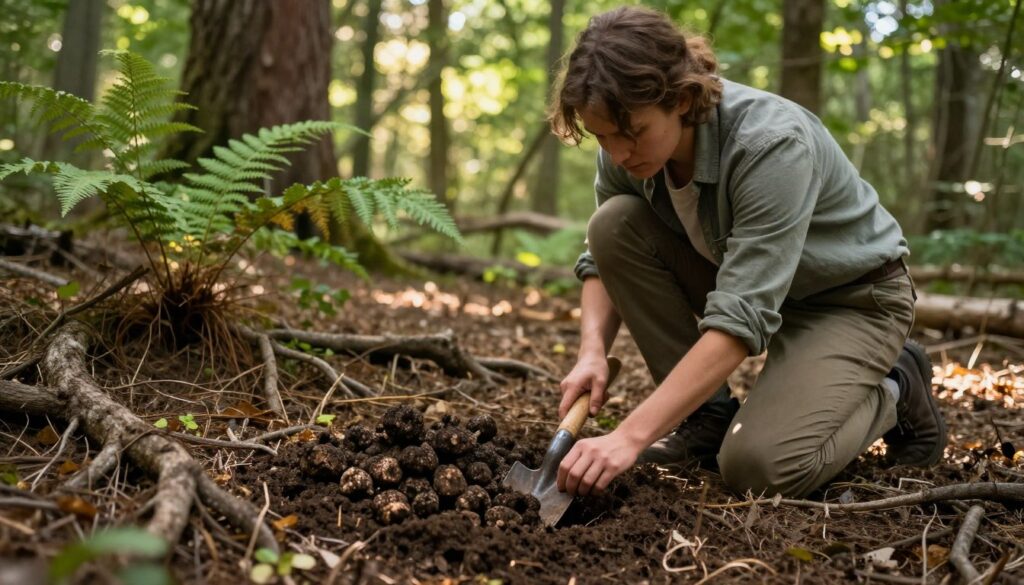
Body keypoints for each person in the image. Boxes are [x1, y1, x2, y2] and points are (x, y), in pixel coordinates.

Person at [550, 6, 947, 499]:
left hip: (850, 302)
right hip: (761, 293)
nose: (618, 154)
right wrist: (592, 353)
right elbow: (602, 255)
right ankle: (706, 419)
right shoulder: (625, 136)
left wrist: (629, 436)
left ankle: (898, 385)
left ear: (680, 97)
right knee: (612, 224)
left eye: (630, 134)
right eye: (602, 137)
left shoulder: (770, 144)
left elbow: (740, 321)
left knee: (759, 468)